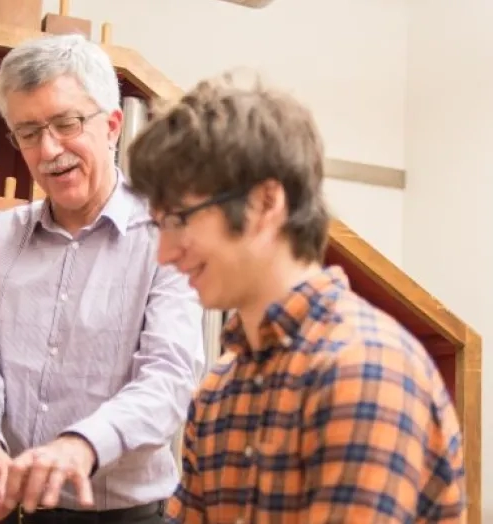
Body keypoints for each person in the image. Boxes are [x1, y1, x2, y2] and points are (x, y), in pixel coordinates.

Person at [0, 33, 206, 523]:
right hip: (3, 510)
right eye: (29, 132)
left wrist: (81, 445)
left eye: (67, 123)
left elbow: (169, 378)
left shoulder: (169, 235)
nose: (49, 149)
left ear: (112, 125)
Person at [125, 69, 467, 523]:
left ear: (265, 203)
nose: (165, 254)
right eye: (159, 225)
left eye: (180, 220)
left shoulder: (362, 367)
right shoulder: (218, 392)